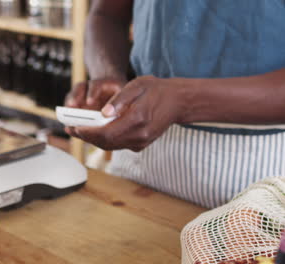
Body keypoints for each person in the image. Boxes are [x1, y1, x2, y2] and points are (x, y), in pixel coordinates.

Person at [65, 0, 285, 208]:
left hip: (258, 178)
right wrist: (107, 75)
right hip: (141, 159)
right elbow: (106, 15)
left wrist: (183, 100)